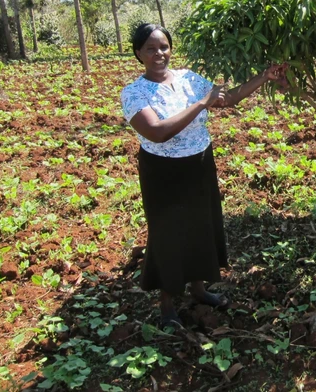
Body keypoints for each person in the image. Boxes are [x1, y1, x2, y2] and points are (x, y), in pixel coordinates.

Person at [121, 23, 285, 327]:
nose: (159, 54)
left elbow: (227, 98)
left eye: (164, 47)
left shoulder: (188, 78)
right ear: (138, 53)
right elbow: (157, 132)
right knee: (168, 232)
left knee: (200, 225)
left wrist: (265, 76)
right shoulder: (134, 92)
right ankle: (167, 304)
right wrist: (200, 104)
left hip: (199, 162)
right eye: (150, 49)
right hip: (163, 171)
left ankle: (198, 290)